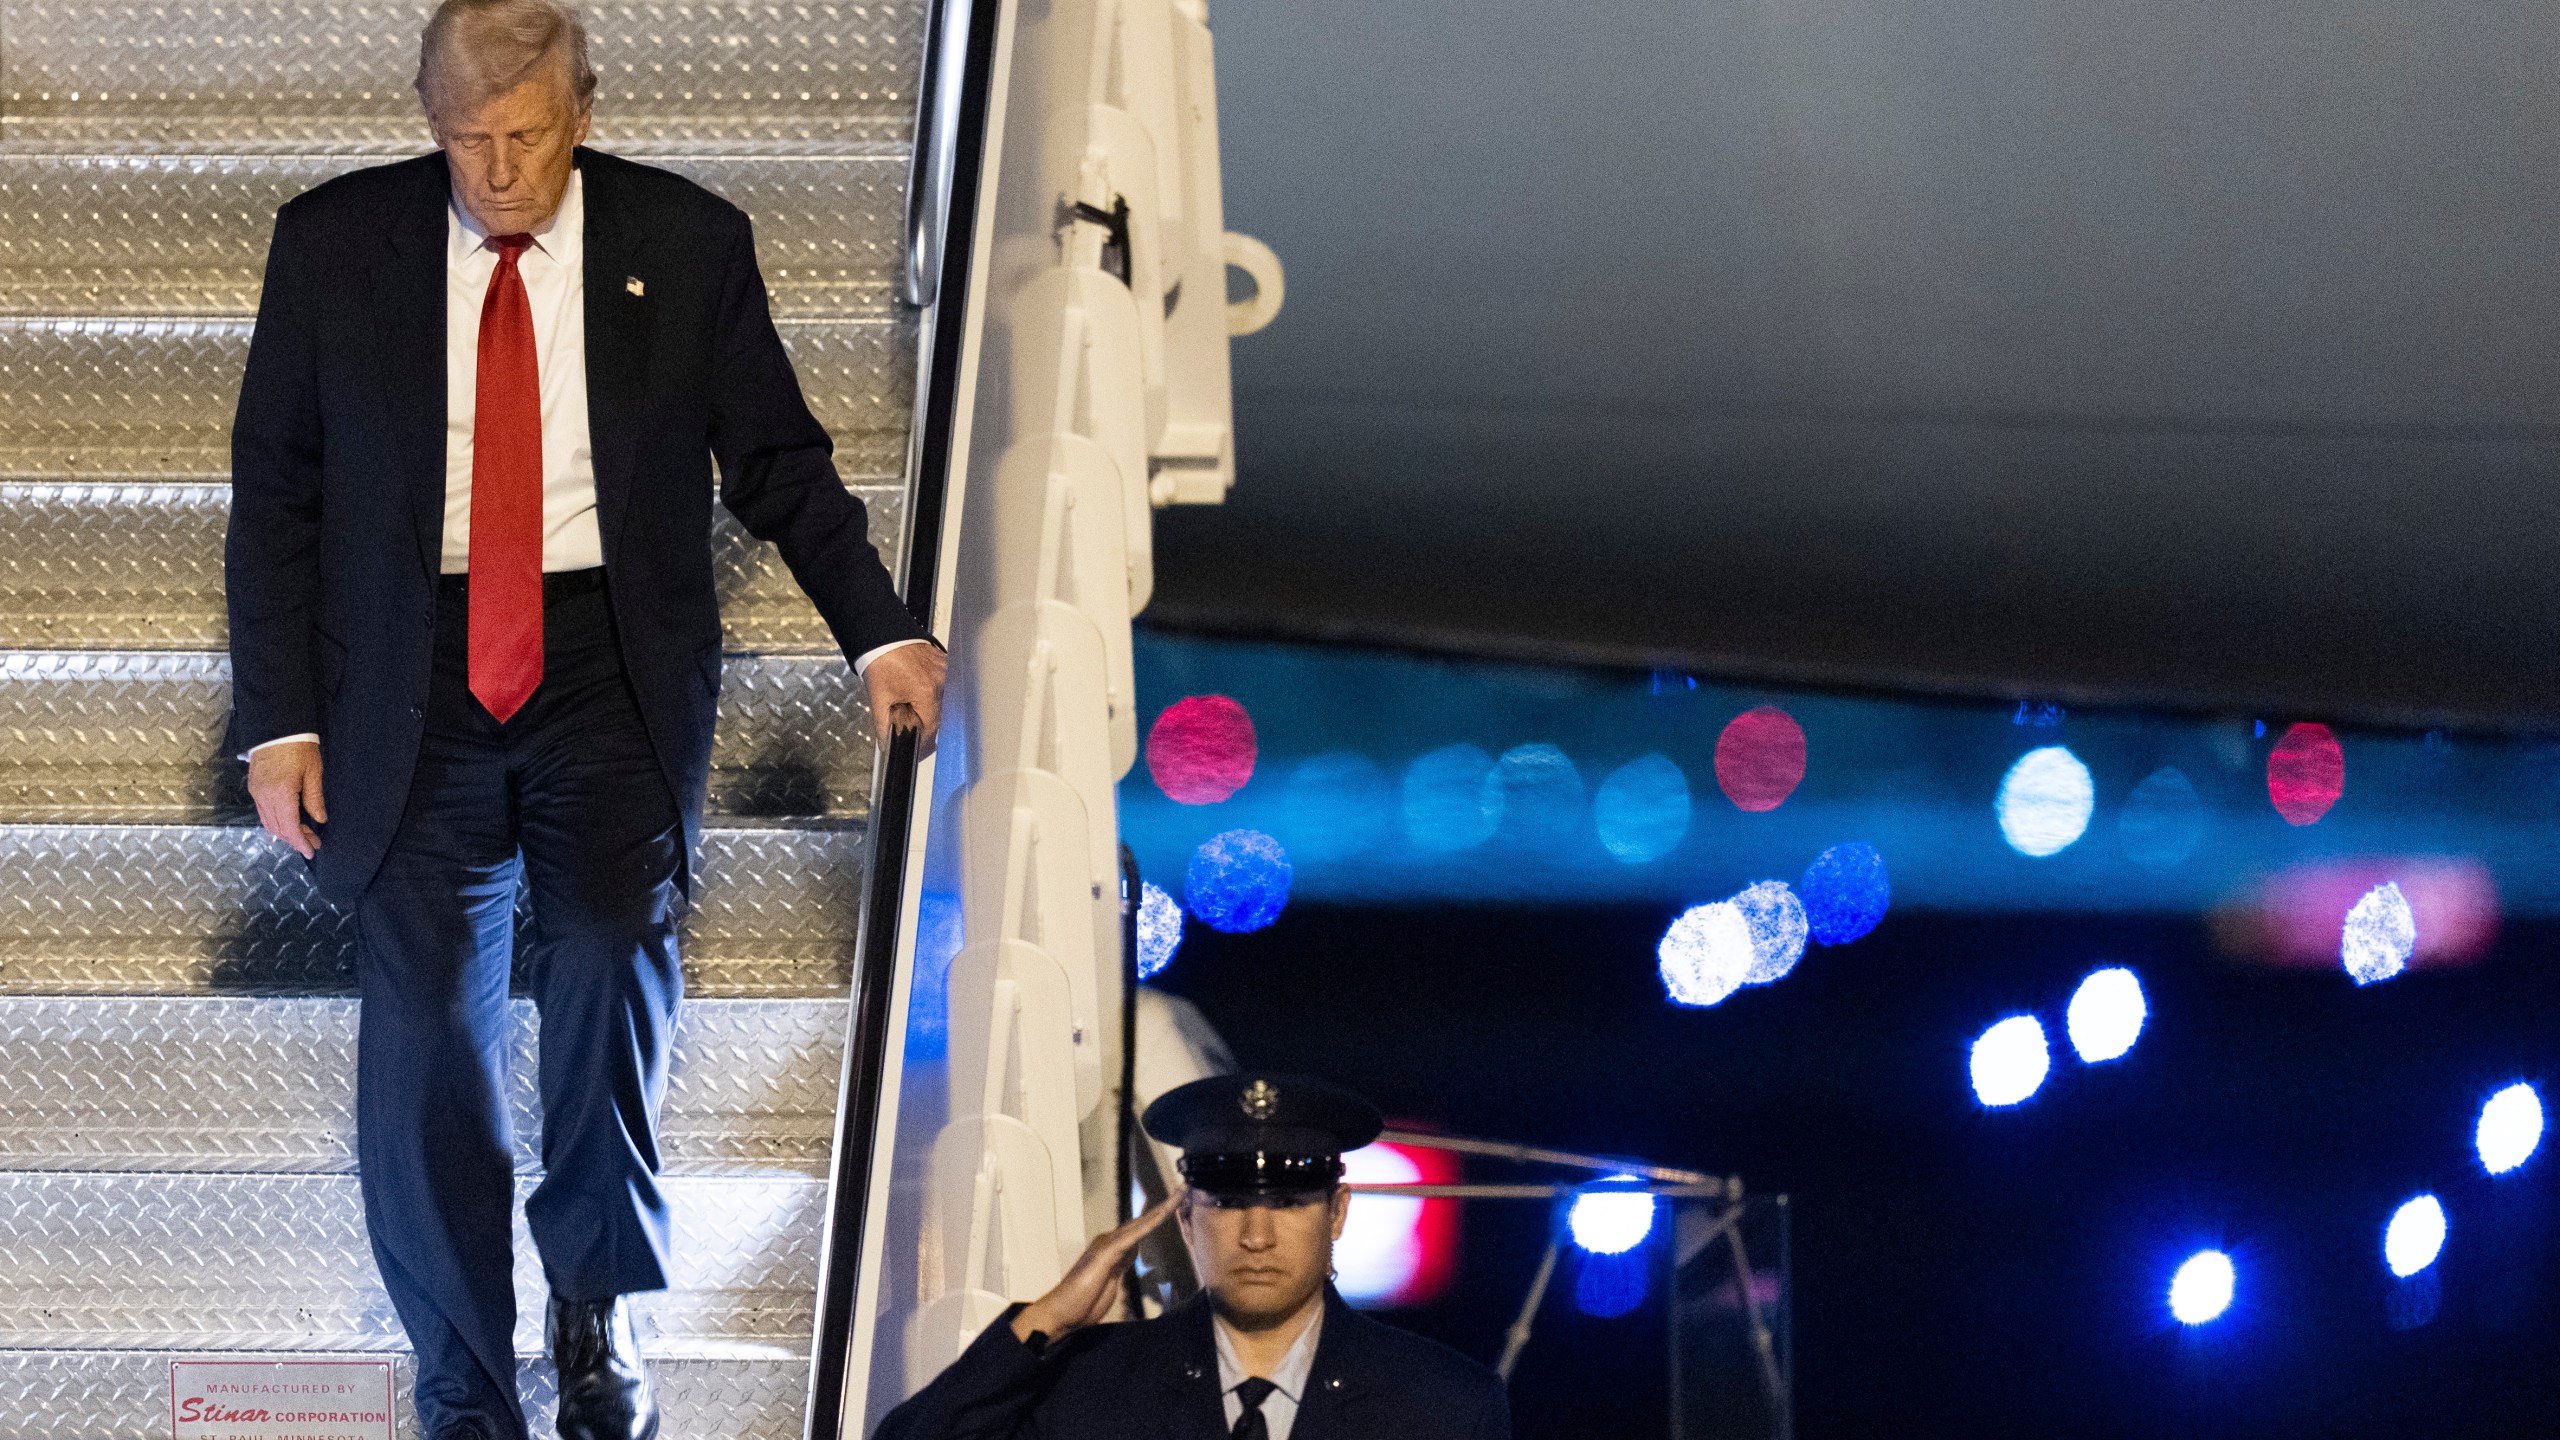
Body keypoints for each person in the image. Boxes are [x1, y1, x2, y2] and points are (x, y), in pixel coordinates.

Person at [223, 3, 948, 1437]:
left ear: (585, 109)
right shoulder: (334, 245)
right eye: (469, 141)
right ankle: (466, 1378)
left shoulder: (682, 242)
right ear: (428, 121)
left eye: (529, 139)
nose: (498, 171)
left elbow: (781, 463)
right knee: (427, 1025)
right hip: (405, 677)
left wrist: (878, 625)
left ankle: (593, 1305)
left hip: (606, 658)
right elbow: (278, 493)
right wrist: (277, 719)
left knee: (614, 967)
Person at [878, 1074, 1513, 1440]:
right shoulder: (1094, 1389)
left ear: (1337, 1213)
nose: (1257, 1237)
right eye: (1229, 1205)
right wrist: (1043, 1321)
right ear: (1186, 1219)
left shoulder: (1442, 1405)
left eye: (1289, 1204)